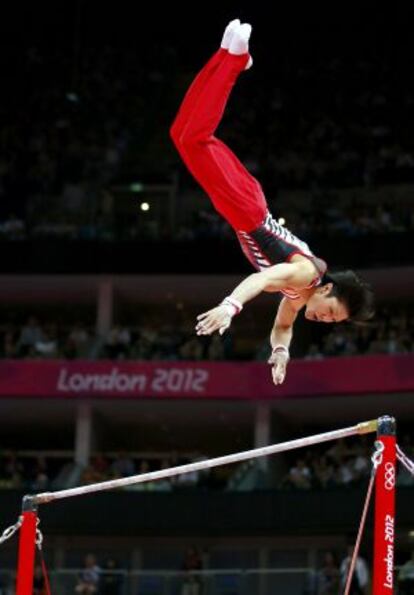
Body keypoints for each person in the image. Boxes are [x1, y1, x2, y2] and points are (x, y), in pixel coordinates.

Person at [170, 19, 374, 385]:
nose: (324, 321)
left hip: (244, 209)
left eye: (329, 322)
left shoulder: (299, 297)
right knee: (194, 139)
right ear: (327, 289)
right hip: (247, 211)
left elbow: (282, 326)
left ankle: (224, 54)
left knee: (183, 134)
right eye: (330, 314)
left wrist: (281, 352)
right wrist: (230, 306)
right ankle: (236, 60)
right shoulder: (306, 275)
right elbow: (262, 277)